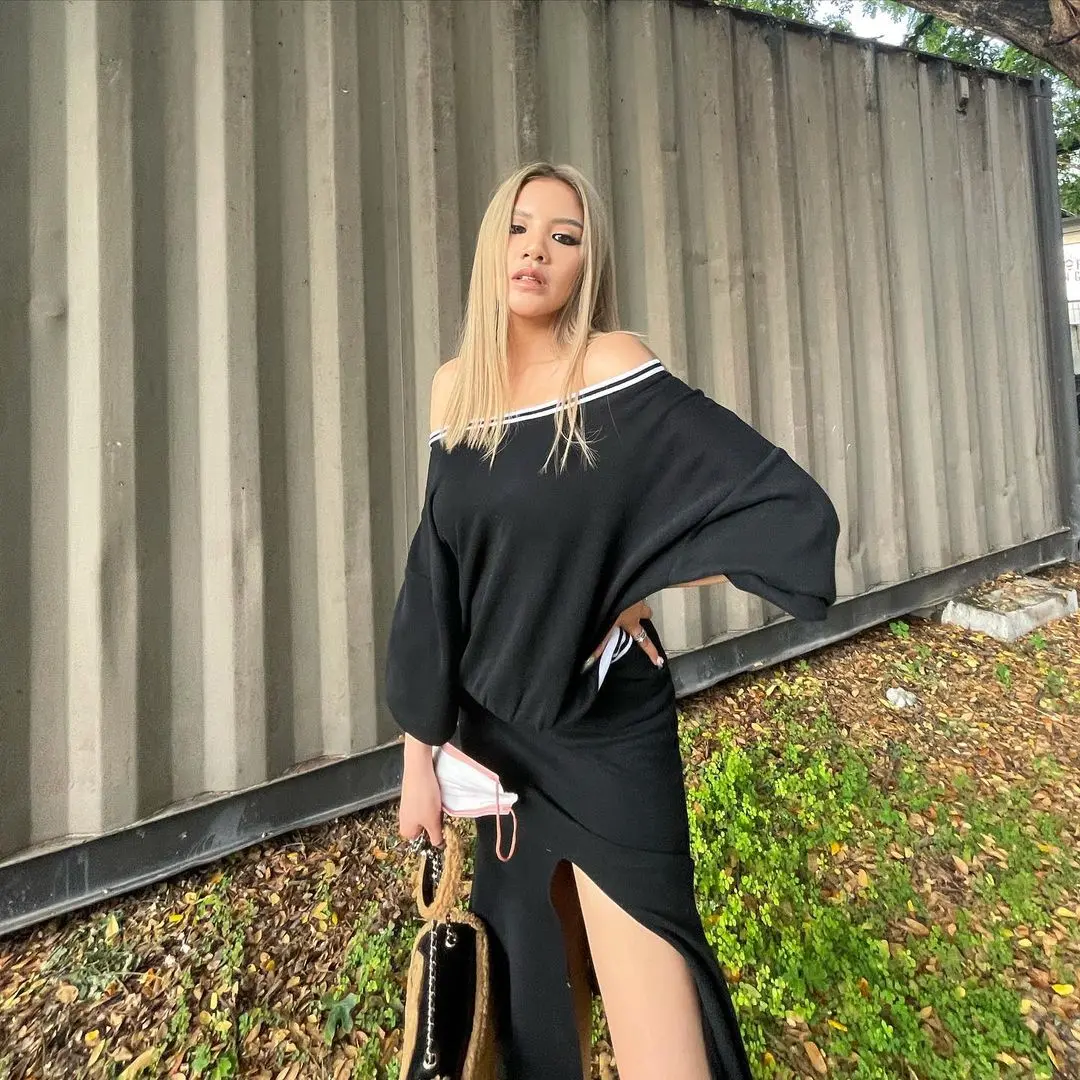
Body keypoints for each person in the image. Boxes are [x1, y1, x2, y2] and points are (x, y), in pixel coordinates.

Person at [386, 161, 839, 1080]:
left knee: (661, 1043)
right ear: (492, 246)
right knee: (533, 1010)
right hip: (498, 745)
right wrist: (417, 761)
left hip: (605, 734)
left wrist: (632, 579)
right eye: (520, 229)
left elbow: (783, 510)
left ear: (587, 263)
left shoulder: (610, 367)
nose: (536, 251)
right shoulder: (453, 389)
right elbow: (435, 577)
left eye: (564, 236)